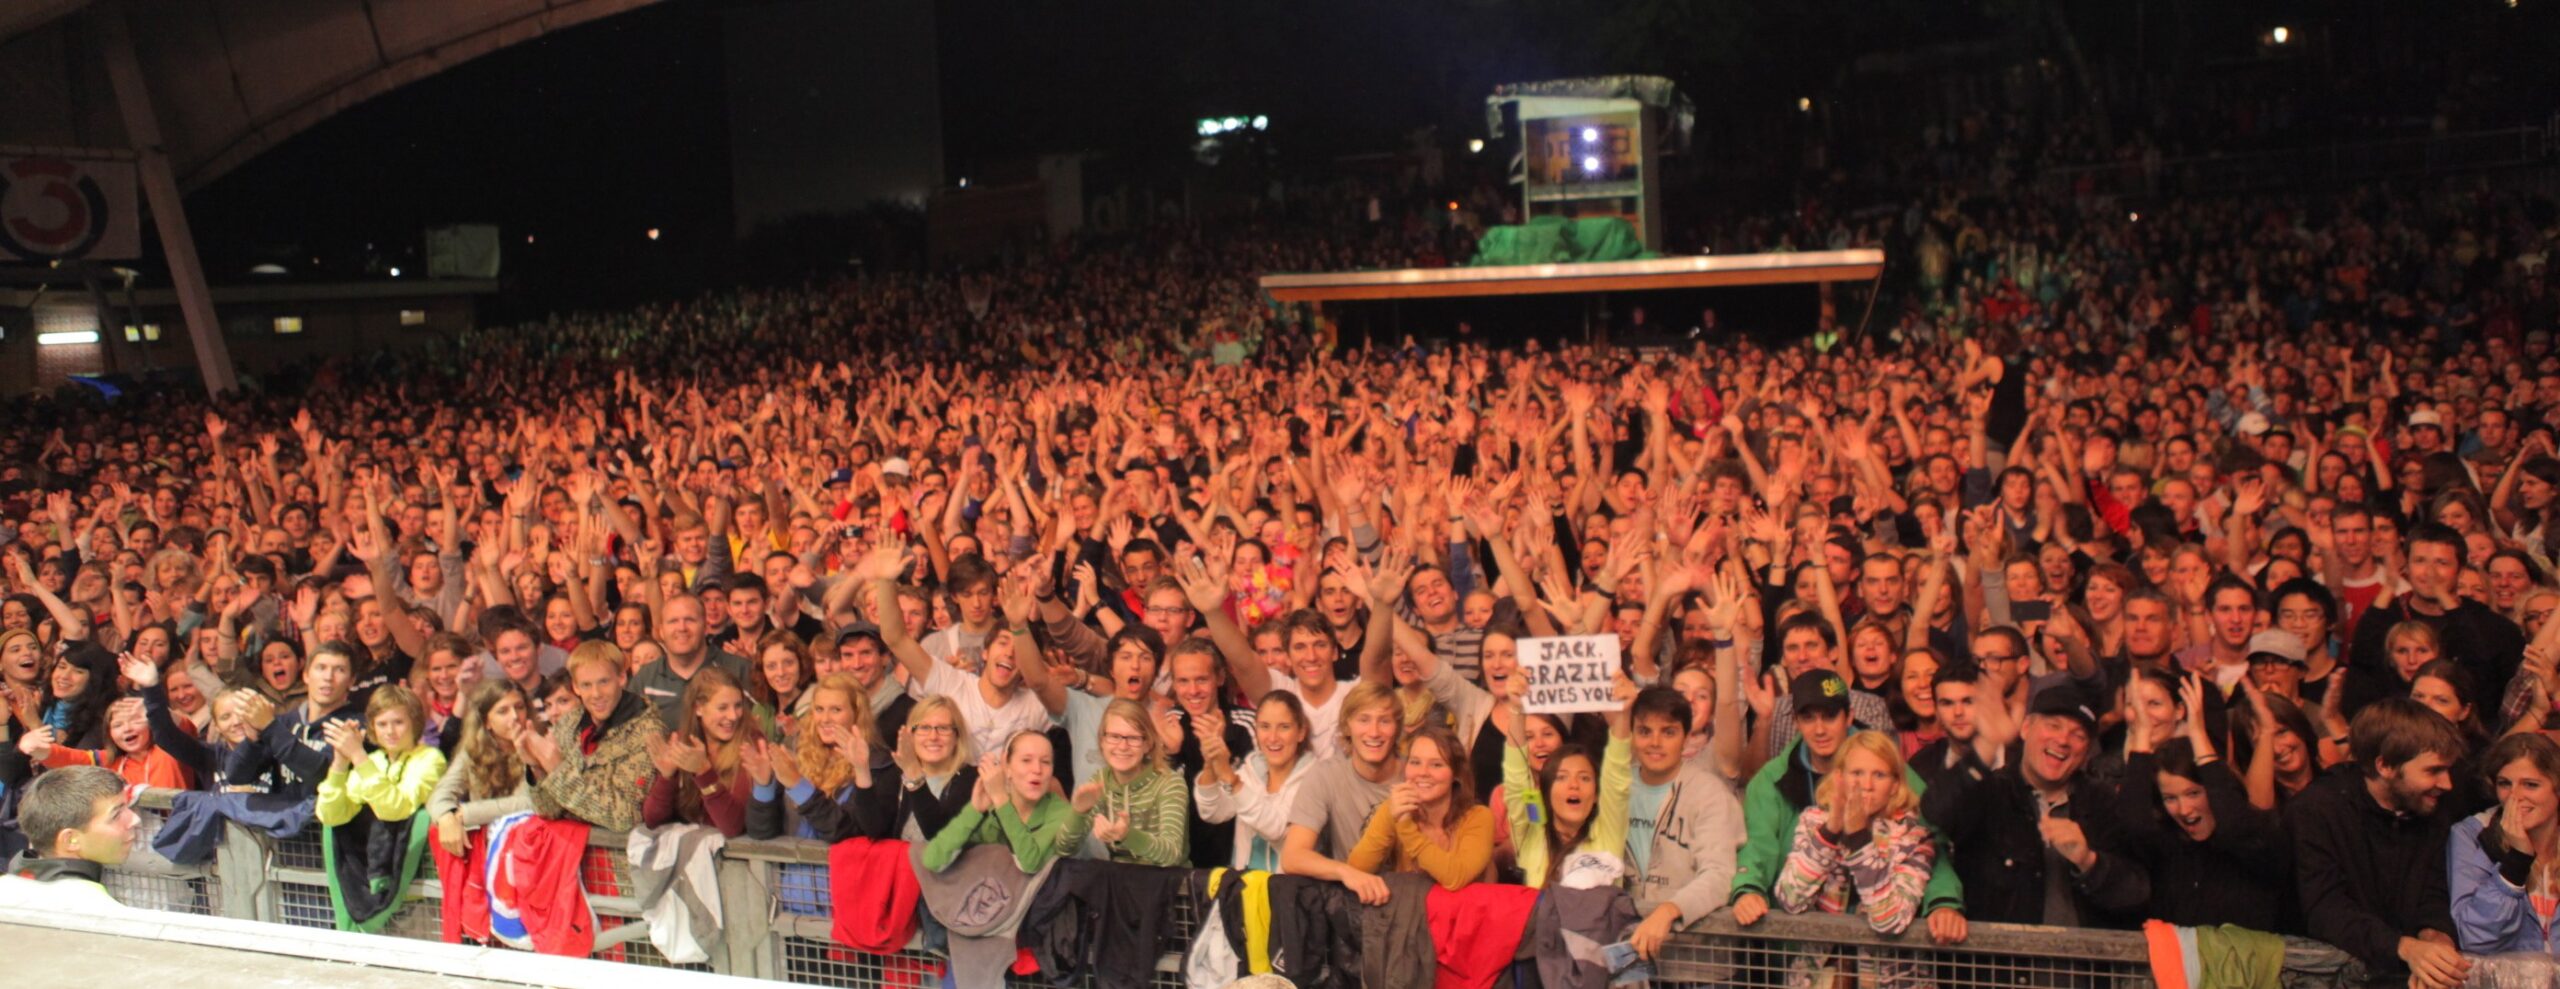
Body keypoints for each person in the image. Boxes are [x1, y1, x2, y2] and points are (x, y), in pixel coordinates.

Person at [1738, 671, 1965, 942]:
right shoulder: (1777, 785)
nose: (1820, 729)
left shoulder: (1892, 771)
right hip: (1808, 947)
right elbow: (1760, 850)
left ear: (1848, 716)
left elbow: (1934, 839)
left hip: (1883, 952)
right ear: (1796, 722)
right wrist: (1748, 888)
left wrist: (1943, 900)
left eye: (1830, 716)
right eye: (1808, 718)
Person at [1922, 680, 2147, 927]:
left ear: (2087, 751)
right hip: (2002, 951)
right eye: (2053, 726)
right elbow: (1936, 812)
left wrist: (2088, 861)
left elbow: (2136, 894)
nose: (2063, 740)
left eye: (2078, 735)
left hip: (2085, 952)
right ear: (2026, 728)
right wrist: (1986, 745)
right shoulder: (1991, 792)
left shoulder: (2102, 803)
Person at [2287, 697, 2471, 989]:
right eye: (2433, 771)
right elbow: (2325, 909)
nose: (2446, 784)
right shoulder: (2318, 810)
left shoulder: (2431, 807)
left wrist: (2437, 941)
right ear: (2384, 766)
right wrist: (2406, 948)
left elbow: (2433, 891)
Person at [2115, 679, 2290, 931]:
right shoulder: (2169, 846)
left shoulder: (2255, 843)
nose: (2184, 810)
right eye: (2171, 798)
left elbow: (2234, 826)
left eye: (2194, 793)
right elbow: (2133, 822)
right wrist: (2141, 738)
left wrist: (2198, 735)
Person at [1772, 730, 1939, 989]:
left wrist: (1859, 837)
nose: (1866, 785)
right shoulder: (1814, 822)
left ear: (1895, 785)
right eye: (1857, 773)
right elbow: (1789, 898)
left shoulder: (1914, 837)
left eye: (1879, 775)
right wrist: (1831, 830)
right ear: (1839, 777)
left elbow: (1890, 920)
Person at [316, 683, 447, 932]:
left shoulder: (431, 759)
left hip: (420, 892)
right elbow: (331, 815)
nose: (390, 731)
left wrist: (358, 756)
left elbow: (396, 809)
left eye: (398, 722)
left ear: (414, 722)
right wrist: (340, 763)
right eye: (382, 724)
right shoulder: (372, 761)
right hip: (371, 884)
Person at [1279, 681, 1405, 903]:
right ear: (1347, 726)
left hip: (1408, 897)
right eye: (1363, 720)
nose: (1374, 732)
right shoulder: (1326, 775)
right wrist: (1345, 872)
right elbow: (1292, 856)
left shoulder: (1416, 774)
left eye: (1384, 721)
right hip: (1352, 901)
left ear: (1397, 729)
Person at [744, 672, 902, 843]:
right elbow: (760, 832)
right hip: (788, 861)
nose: (825, 719)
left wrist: (799, 787)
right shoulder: (795, 750)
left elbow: (852, 835)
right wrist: (764, 786)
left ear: (857, 714)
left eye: (836, 710)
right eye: (819, 709)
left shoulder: (879, 765)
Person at [525, 640, 666, 832]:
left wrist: (558, 770)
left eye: (604, 682)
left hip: (619, 850)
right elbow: (549, 811)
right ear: (575, 687)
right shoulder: (568, 724)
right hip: (573, 846)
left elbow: (625, 816)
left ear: (621, 678)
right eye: (586, 685)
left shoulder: (647, 731)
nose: (596, 693)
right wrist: (537, 768)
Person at [1345, 721, 1493, 890]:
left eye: (1436, 764)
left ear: (1456, 774)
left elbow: (1456, 877)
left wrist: (1407, 829)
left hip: (1463, 907)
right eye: (1415, 762)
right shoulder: (1394, 809)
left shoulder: (1479, 817)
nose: (1422, 772)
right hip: (1408, 906)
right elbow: (1356, 869)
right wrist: (1391, 818)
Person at [2448, 732, 2560, 954]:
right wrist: (2516, 864)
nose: (2514, 796)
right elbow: (2475, 937)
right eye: (2504, 783)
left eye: (2531, 785)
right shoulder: (2472, 835)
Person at [224, 641, 366, 799]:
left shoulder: (355, 726)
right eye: (321, 668)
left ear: (352, 680)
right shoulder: (284, 723)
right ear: (306, 675)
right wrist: (252, 742)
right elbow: (236, 776)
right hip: (283, 814)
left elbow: (322, 776)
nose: (328, 677)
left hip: (325, 814)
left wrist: (270, 727)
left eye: (339, 670)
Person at [919, 729, 1071, 874]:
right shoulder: (991, 808)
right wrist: (974, 810)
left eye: (1046, 762)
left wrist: (1001, 800)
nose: (1037, 769)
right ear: (1007, 766)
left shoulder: (1062, 813)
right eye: (1026, 760)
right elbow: (933, 860)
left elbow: (1030, 863)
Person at [1059, 697, 1189, 865]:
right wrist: (1078, 813)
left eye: (1133, 738)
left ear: (1147, 744)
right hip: (1120, 876)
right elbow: (1064, 850)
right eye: (1114, 736)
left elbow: (1171, 855)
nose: (1122, 746)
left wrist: (1127, 835)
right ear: (1102, 741)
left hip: (1168, 878)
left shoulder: (1169, 783)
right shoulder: (1100, 781)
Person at [1195, 690, 1312, 871]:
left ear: (1301, 732)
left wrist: (1231, 778)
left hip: (1291, 886)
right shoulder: (1251, 771)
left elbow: (1277, 829)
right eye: (1265, 726)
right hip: (1244, 884)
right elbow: (1212, 812)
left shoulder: (1315, 778)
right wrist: (1210, 762)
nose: (1273, 737)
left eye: (1284, 727)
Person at [0, 765, 136, 911]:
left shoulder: (7, 887)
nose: (135, 819)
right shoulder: (96, 909)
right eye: (116, 815)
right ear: (70, 840)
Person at [426, 680, 536, 858]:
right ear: (486, 722)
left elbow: (528, 803)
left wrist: (466, 814)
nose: (515, 716)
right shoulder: (472, 750)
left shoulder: (539, 745)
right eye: (503, 711)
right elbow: (442, 792)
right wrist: (446, 817)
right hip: (489, 848)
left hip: (530, 845)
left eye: (520, 707)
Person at [641, 665, 755, 836]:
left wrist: (704, 772)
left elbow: (732, 827)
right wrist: (667, 777)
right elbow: (652, 820)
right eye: (723, 707)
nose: (733, 716)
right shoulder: (683, 741)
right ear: (698, 708)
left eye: (738, 705)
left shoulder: (751, 744)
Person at [892, 695, 980, 846]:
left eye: (943, 728)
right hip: (903, 859)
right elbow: (874, 830)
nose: (933, 736)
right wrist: (862, 771)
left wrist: (914, 775)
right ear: (911, 736)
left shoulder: (972, 779)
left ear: (957, 737)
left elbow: (939, 836)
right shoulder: (900, 773)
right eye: (924, 728)